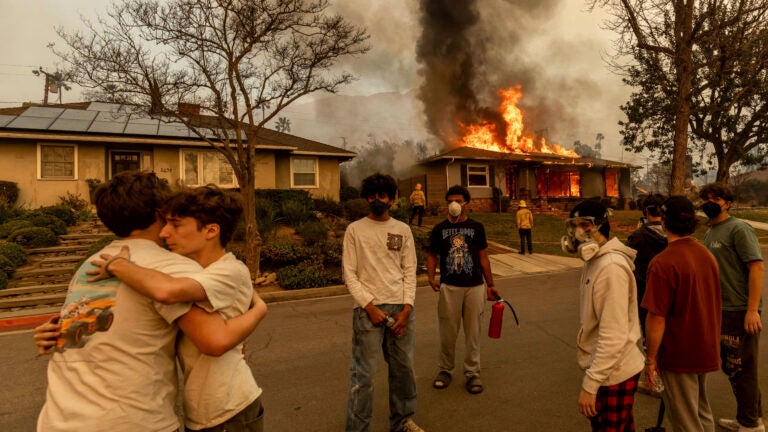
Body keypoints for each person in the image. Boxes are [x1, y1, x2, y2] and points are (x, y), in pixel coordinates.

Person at [33, 171, 264, 432]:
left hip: (58, 420)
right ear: (159, 213)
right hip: (129, 421)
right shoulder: (169, 267)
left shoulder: (90, 265)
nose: (168, 230)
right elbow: (215, 338)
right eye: (170, 219)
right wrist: (259, 309)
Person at [343, 173, 422, 432]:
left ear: (392, 199)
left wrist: (407, 308)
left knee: (403, 371)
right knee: (362, 377)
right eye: (373, 195)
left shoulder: (402, 230)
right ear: (367, 197)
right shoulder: (354, 230)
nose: (377, 200)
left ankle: (402, 422)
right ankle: (357, 428)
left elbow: (410, 270)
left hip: (400, 310)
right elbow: (349, 275)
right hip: (367, 313)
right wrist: (370, 307)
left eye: (383, 195)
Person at [562, 200, 645, 431]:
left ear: (602, 226)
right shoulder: (595, 261)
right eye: (574, 226)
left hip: (614, 374)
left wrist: (591, 385)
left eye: (585, 226)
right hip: (609, 369)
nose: (578, 233)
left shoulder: (610, 268)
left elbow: (613, 335)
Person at [642, 196, 721, 431]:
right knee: (700, 410)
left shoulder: (663, 263)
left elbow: (656, 317)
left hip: (679, 352)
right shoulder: (705, 254)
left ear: (664, 222)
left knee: (685, 420)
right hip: (705, 345)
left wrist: (651, 359)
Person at [699, 183, 765, 432]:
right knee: (734, 367)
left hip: (739, 310)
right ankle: (749, 418)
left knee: (741, 368)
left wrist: (752, 310)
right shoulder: (710, 231)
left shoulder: (738, 228)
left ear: (728, 203)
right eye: (705, 198)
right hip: (720, 309)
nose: (709, 202)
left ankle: (751, 424)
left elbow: (756, 267)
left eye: (715, 198)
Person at [427, 185, 500, 395]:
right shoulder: (439, 229)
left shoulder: (477, 227)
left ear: (466, 203)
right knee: (447, 333)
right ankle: (445, 370)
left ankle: (472, 373)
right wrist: (431, 277)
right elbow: (432, 255)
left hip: (475, 287)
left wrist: (491, 284)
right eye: (450, 200)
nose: (454, 204)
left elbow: (483, 257)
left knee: (473, 333)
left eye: (458, 200)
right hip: (449, 287)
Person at [626, 193, 668, 340]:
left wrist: (636, 232)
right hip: (670, 293)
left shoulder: (638, 237)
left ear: (646, 212)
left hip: (645, 294)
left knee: (650, 337)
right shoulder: (673, 235)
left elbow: (628, 261)